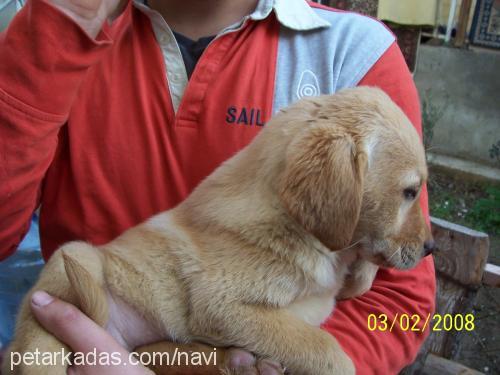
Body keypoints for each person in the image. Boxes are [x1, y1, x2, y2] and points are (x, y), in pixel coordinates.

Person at [0, 0, 436, 374]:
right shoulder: (48, 25)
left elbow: (399, 306)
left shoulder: (350, 53)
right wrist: (62, 23)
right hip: (83, 333)